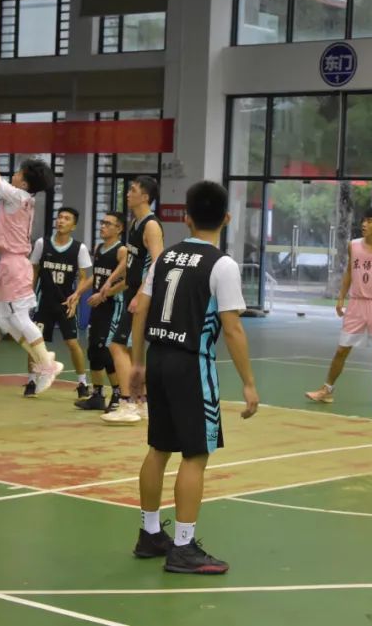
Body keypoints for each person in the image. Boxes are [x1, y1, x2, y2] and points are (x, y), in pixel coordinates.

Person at [129, 180, 259, 574]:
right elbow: (232, 328)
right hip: (191, 363)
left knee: (159, 448)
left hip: (158, 357)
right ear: (227, 218)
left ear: (185, 218)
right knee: (196, 454)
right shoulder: (222, 265)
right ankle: (184, 547)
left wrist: (137, 363)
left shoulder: (165, 258)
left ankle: (150, 533)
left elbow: (140, 310)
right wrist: (249, 383)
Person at [0, 117, 64, 394]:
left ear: (25, 182)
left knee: (18, 317)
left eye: (18, 173)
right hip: (11, 262)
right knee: (6, 321)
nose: (14, 175)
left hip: (16, 263)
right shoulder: (19, 196)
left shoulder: (18, 196)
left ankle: (46, 363)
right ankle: (44, 359)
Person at [305, 207, 372, 410]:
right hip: (356, 304)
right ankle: (326, 390)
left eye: (369, 221)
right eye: (363, 221)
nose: (364, 224)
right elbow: (350, 271)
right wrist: (341, 297)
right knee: (342, 349)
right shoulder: (354, 245)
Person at [103, 176, 164, 425]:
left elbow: (158, 263)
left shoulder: (151, 225)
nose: (128, 193)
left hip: (143, 297)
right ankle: (142, 403)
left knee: (116, 345)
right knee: (131, 350)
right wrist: (113, 286)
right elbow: (133, 265)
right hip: (132, 293)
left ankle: (127, 402)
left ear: (145, 197)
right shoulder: (135, 224)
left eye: (133, 190)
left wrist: (140, 295)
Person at [27, 207, 93, 398]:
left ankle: (82, 383)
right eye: (59, 217)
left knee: (72, 343)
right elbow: (34, 270)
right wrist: (29, 294)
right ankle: (32, 380)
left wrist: (77, 297)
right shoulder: (42, 243)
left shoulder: (79, 248)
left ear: (74, 226)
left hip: (66, 303)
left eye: (67, 218)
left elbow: (84, 277)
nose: (61, 221)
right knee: (34, 342)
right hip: (43, 301)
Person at [76, 211, 128, 412]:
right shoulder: (99, 248)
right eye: (102, 222)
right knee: (93, 351)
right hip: (98, 305)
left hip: (113, 306)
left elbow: (127, 281)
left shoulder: (122, 251)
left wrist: (104, 294)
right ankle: (97, 395)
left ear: (119, 228)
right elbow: (96, 276)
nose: (103, 226)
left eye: (108, 223)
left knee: (106, 351)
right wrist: (78, 292)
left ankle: (118, 394)